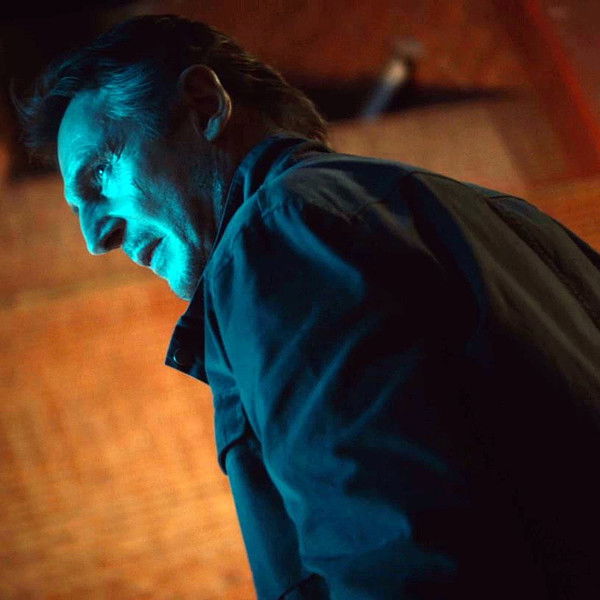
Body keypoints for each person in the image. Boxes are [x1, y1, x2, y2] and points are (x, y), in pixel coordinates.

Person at [19, 14, 600, 599]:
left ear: (203, 105)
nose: (96, 238)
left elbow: (396, 562)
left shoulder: (279, 231)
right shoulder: (514, 222)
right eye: (78, 208)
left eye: (100, 174)